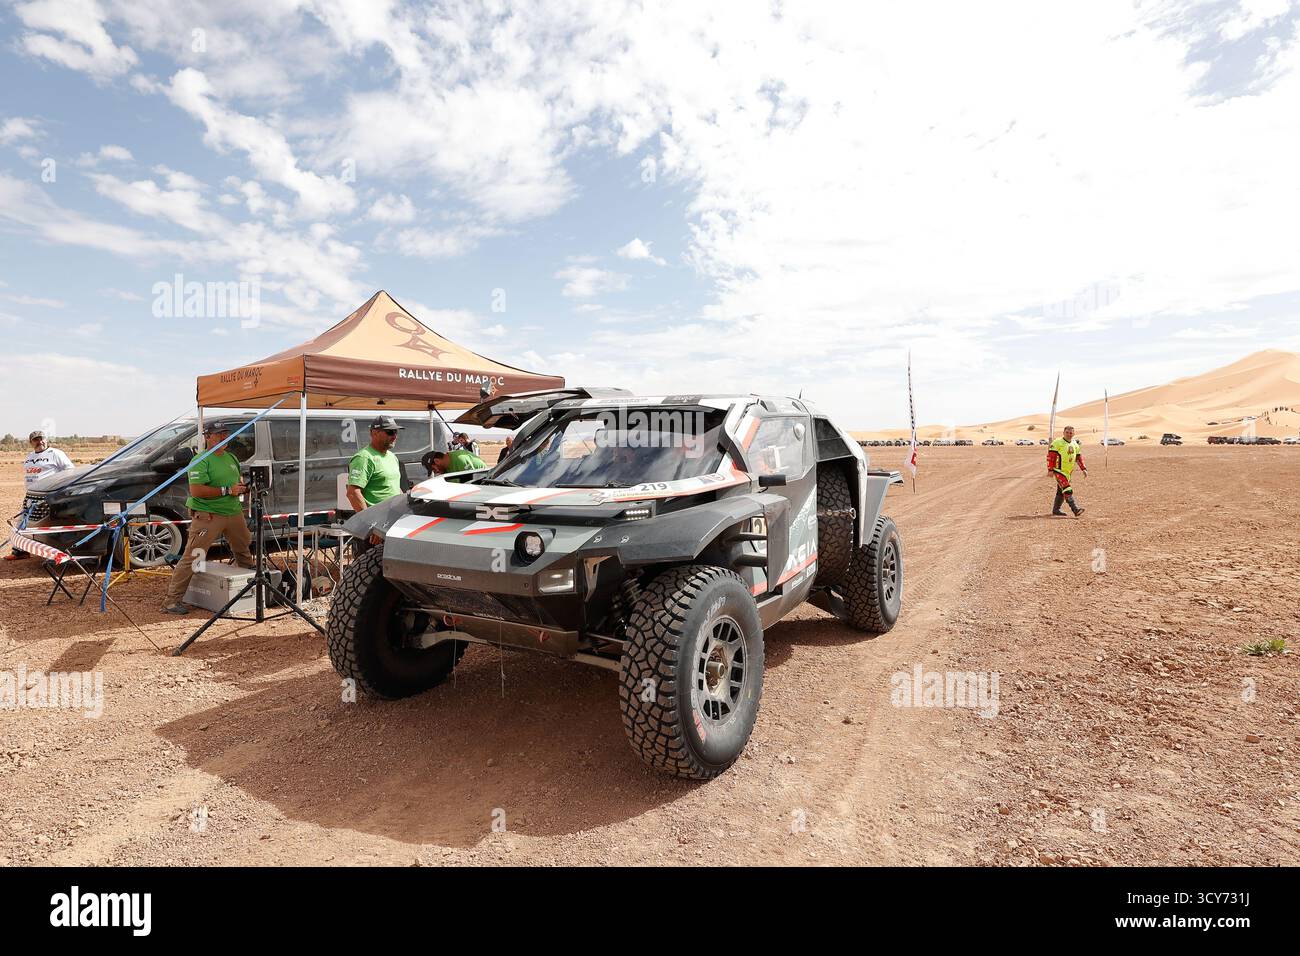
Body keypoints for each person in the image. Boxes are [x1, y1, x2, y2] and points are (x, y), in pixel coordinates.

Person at [162, 421, 254, 614]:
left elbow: (237, 482)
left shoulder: (231, 458)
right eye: (218, 433)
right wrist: (227, 490)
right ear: (207, 436)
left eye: (226, 432)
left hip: (233, 512)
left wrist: (242, 487)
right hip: (208, 516)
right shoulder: (200, 460)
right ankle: (172, 601)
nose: (223, 436)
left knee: (243, 549)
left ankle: (249, 592)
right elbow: (196, 491)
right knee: (194, 556)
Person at [7, 429, 75, 560]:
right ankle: (20, 551)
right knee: (23, 521)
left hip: (50, 495)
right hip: (32, 495)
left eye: (41, 438)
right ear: (31, 442)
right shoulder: (30, 456)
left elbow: (70, 471)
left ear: (46, 439)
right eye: (36, 440)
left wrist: (60, 488)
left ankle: (56, 553)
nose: (40, 442)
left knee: (47, 522)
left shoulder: (55, 453)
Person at [1047, 425, 1087, 517]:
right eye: (1067, 432)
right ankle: (1075, 509)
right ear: (1063, 433)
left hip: (1068, 472)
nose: (1069, 434)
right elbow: (1051, 457)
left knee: (1061, 491)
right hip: (1058, 471)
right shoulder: (1057, 442)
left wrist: (1083, 468)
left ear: (1074, 433)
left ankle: (1056, 510)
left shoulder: (1075, 444)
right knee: (1067, 489)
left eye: (1071, 433)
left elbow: (1078, 458)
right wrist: (1050, 469)